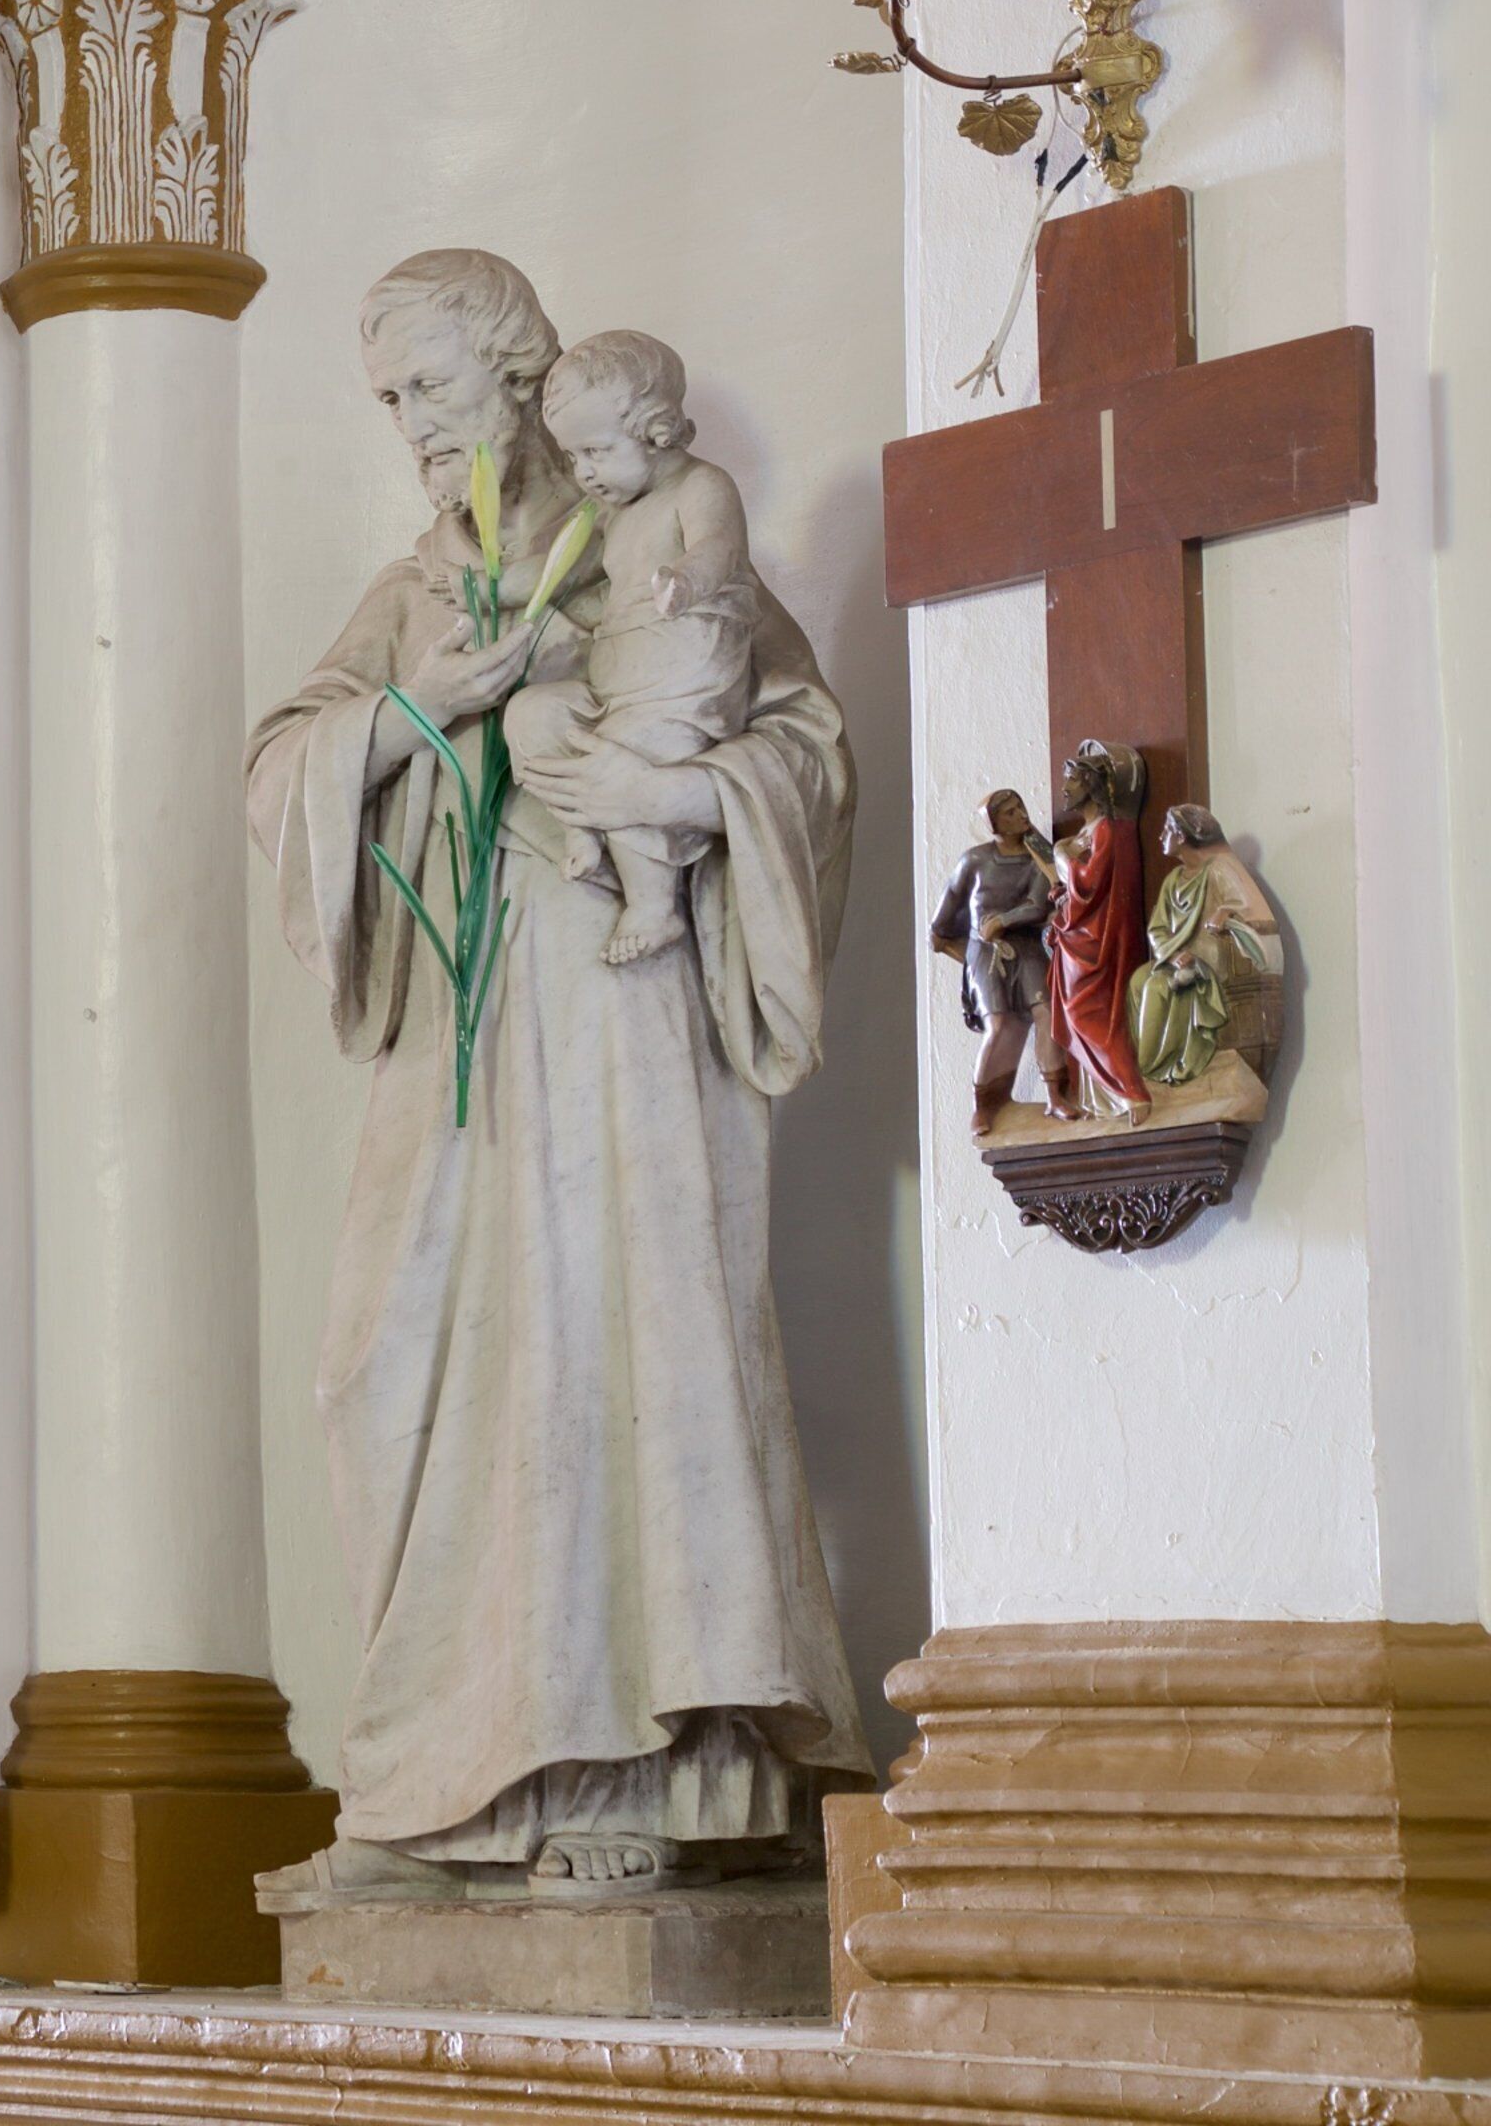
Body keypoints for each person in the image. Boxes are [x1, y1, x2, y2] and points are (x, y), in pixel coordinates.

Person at [243, 250, 869, 1908]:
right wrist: (410, 716)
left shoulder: (667, 531)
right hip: (460, 1029)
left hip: (613, 998)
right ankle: (435, 1785)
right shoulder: (421, 591)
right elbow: (285, 770)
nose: (409, 428)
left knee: (612, 1340)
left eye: (431, 390)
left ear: (526, 376)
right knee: (383, 1362)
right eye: (387, 401)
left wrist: (694, 803)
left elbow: (801, 747)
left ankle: (638, 1764)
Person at [539, 330, 760, 966]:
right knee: (534, 715)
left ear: (657, 430)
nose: (583, 472)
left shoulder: (701, 486)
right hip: (621, 677)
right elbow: (559, 572)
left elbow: (720, 544)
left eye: (596, 451)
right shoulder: (612, 515)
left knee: (635, 752)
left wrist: (686, 578)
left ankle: (653, 905)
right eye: (573, 456)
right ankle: (581, 823)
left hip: (681, 673)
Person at [930, 788, 1073, 1136]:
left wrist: (1003, 921)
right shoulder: (974, 861)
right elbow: (940, 931)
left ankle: (1056, 1095)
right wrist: (970, 962)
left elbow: (1038, 905)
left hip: (1026, 947)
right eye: (1009, 813)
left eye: (1020, 808)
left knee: (1047, 1014)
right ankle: (983, 1105)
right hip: (985, 954)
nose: (1020, 816)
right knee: (999, 1027)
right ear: (994, 824)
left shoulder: (1038, 858)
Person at [1125, 804, 1282, 1093]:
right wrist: (1172, 955)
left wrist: (1224, 912)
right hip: (1176, 958)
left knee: (1158, 988)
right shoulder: (1172, 881)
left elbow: (1243, 904)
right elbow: (1157, 929)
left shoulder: (1219, 869)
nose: (1160, 837)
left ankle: (1155, 1068)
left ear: (1182, 836)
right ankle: (1161, 1067)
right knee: (1137, 982)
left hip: (1208, 964)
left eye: (1166, 831)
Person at [1042, 742, 1151, 1121]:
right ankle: (1098, 1100)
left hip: (1098, 941)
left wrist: (1061, 857)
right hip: (1080, 936)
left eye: (1072, 779)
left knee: (1088, 1013)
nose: (1065, 789)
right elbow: (1080, 890)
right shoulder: (1092, 829)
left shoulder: (1109, 829)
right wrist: (1061, 893)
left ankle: (1131, 1094)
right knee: (1079, 1015)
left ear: (1091, 784)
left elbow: (1091, 884)